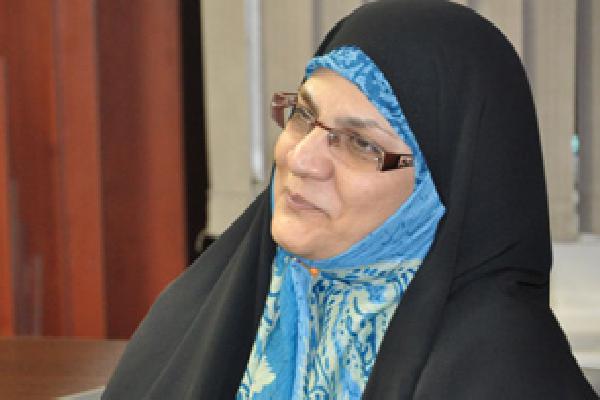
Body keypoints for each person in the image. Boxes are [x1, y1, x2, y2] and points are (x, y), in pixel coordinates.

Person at [102, 1, 597, 399]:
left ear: (442, 188)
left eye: (360, 144)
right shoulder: (198, 314)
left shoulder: (506, 375)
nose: (301, 158)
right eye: (302, 115)